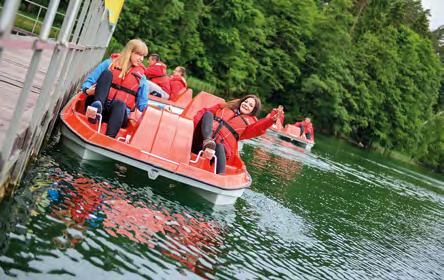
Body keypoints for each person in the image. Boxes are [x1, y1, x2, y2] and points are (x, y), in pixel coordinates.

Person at [192, 95, 284, 174]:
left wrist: (271, 120)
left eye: (250, 105)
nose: (246, 105)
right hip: (200, 141)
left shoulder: (248, 124)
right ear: (241, 101)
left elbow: (258, 128)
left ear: (253, 110)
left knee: (220, 146)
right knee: (208, 114)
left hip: (214, 153)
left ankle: (221, 177)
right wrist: (191, 129)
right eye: (246, 102)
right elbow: (202, 113)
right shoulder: (224, 107)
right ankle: (208, 142)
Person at [81, 39, 149, 138]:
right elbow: (88, 82)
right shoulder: (108, 64)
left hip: (119, 115)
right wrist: (87, 90)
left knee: (120, 104)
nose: (141, 59)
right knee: (107, 74)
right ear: (129, 52)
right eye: (139, 54)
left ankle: (108, 139)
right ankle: (96, 110)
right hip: (100, 107)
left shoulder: (141, 78)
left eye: (143, 56)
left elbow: (142, 106)